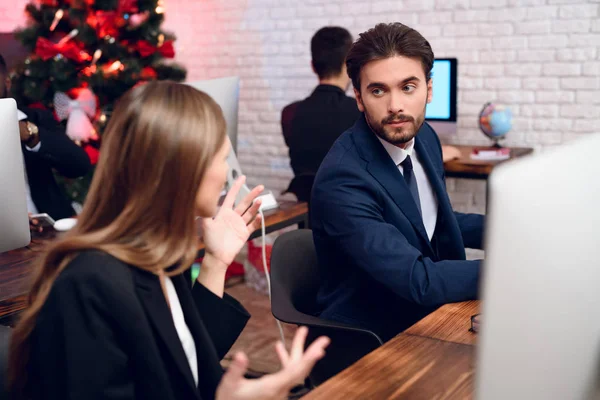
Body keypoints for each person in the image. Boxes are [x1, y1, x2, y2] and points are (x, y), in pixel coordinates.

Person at [8, 81, 329, 399]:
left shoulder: (154, 255)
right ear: (185, 169)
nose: (226, 172)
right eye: (221, 157)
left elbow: (185, 364)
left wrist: (216, 262)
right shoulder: (88, 285)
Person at [310, 23, 485, 342]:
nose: (395, 107)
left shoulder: (425, 138)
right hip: (372, 335)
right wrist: (516, 270)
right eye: (378, 90)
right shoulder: (343, 178)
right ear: (359, 98)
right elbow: (419, 280)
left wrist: (514, 233)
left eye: (408, 87)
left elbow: (431, 221)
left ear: (429, 90)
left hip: (426, 313)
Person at [0, 54, 92, 222]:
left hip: (48, 230)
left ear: (6, 84)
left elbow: (79, 165)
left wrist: (31, 135)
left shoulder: (36, 118)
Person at [281, 27, 360, 203]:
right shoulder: (360, 112)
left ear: (313, 66)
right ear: (348, 65)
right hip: (350, 213)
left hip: (306, 215)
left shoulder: (289, 113)